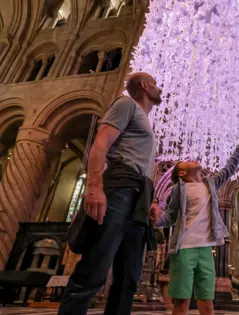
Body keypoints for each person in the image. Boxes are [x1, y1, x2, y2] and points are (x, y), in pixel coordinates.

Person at [58, 72, 163, 315]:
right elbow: (101, 143)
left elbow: (145, 166)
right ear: (145, 86)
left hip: (138, 199)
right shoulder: (126, 104)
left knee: (128, 278)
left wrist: (153, 201)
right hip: (120, 190)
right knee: (95, 268)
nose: (160, 89)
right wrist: (94, 187)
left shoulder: (146, 123)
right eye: (156, 85)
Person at [156, 131, 239, 315]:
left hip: (206, 249)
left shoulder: (211, 184)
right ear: (182, 172)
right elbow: (170, 216)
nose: (194, 160)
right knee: (182, 301)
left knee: (207, 300)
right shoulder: (178, 189)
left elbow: (229, 169)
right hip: (184, 249)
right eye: (188, 162)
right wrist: (154, 220)